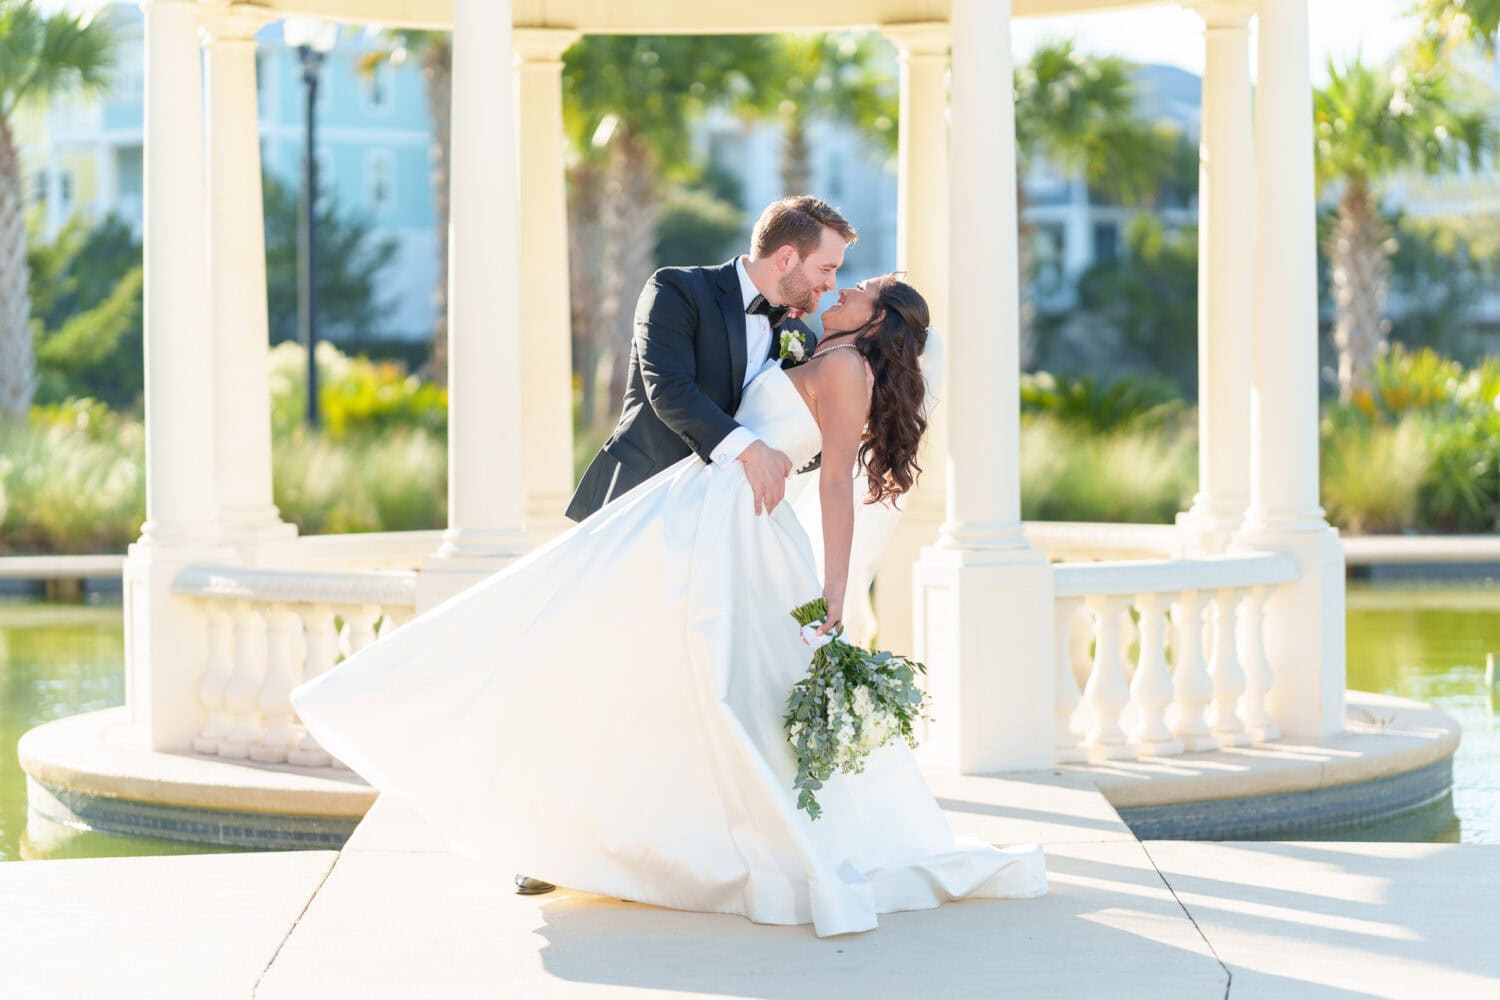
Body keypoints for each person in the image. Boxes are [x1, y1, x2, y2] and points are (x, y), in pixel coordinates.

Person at [290, 273, 1047, 939]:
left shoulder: (846, 366)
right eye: (836, 278)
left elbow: (834, 481)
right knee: (621, 662)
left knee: (721, 689)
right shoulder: (808, 349)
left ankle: (695, 845)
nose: (838, 291)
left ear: (876, 323)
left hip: (741, 535)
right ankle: (588, 834)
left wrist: (839, 589)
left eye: (857, 291)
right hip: (693, 511)